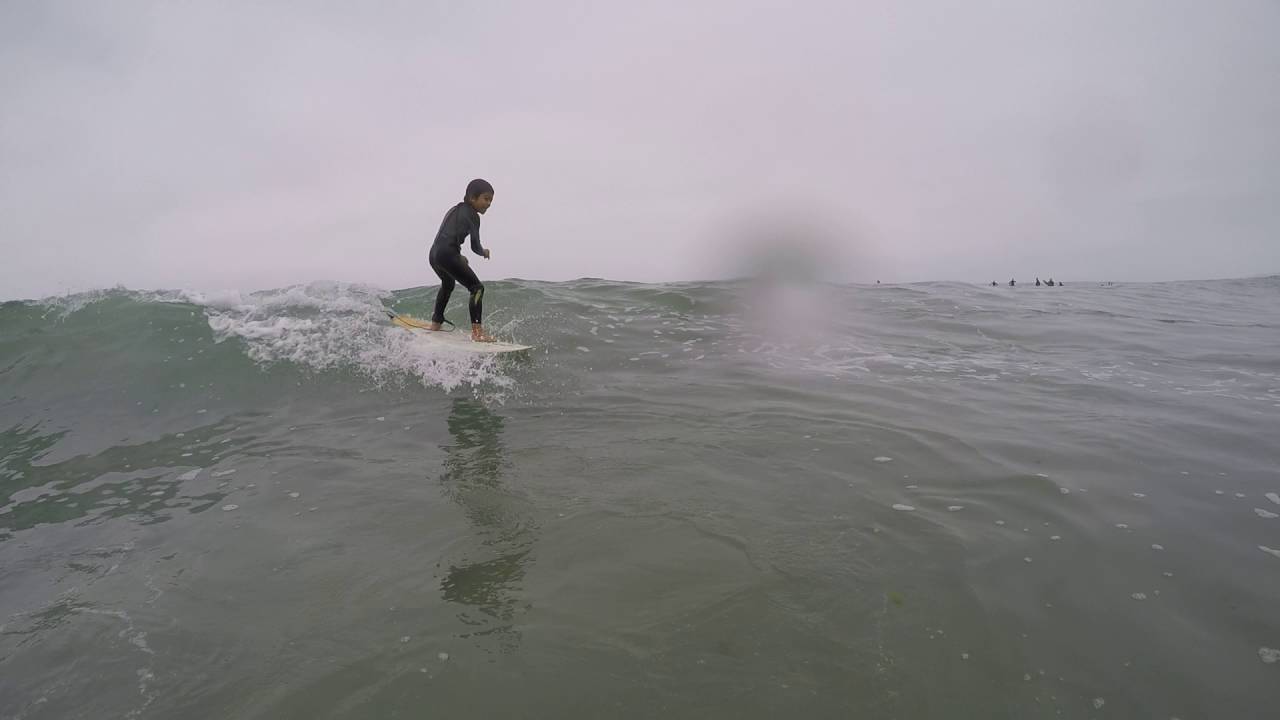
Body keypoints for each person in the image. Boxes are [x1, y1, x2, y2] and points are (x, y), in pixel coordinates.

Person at [427, 179, 496, 342]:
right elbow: (475, 245)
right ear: (473, 198)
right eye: (486, 199)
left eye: (491, 200)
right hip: (447, 253)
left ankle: (436, 323)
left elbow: (446, 236)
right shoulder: (473, 216)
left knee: (448, 284)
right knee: (477, 288)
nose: (489, 203)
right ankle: (477, 333)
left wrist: (457, 256)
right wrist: (483, 251)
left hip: (434, 253)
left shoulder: (454, 209)